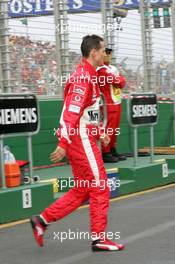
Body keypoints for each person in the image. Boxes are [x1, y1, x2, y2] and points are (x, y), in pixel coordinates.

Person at [30, 35, 125, 252]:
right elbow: (71, 112)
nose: (105, 54)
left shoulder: (91, 75)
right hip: (78, 139)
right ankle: (99, 238)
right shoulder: (84, 77)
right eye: (103, 50)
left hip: (83, 136)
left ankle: (41, 221)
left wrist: (100, 132)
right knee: (100, 184)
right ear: (94, 53)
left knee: (83, 189)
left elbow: (86, 113)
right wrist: (63, 142)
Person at [97, 48, 126, 163]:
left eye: (110, 53)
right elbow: (119, 81)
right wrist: (117, 78)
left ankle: (113, 149)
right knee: (108, 128)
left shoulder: (112, 68)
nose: (108, 55)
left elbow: (122, 82)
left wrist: (117, 79)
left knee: (115, 129)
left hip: (117, 101)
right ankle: (106, 152)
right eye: (106, 53)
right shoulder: (101, 70)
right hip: (107, 103)